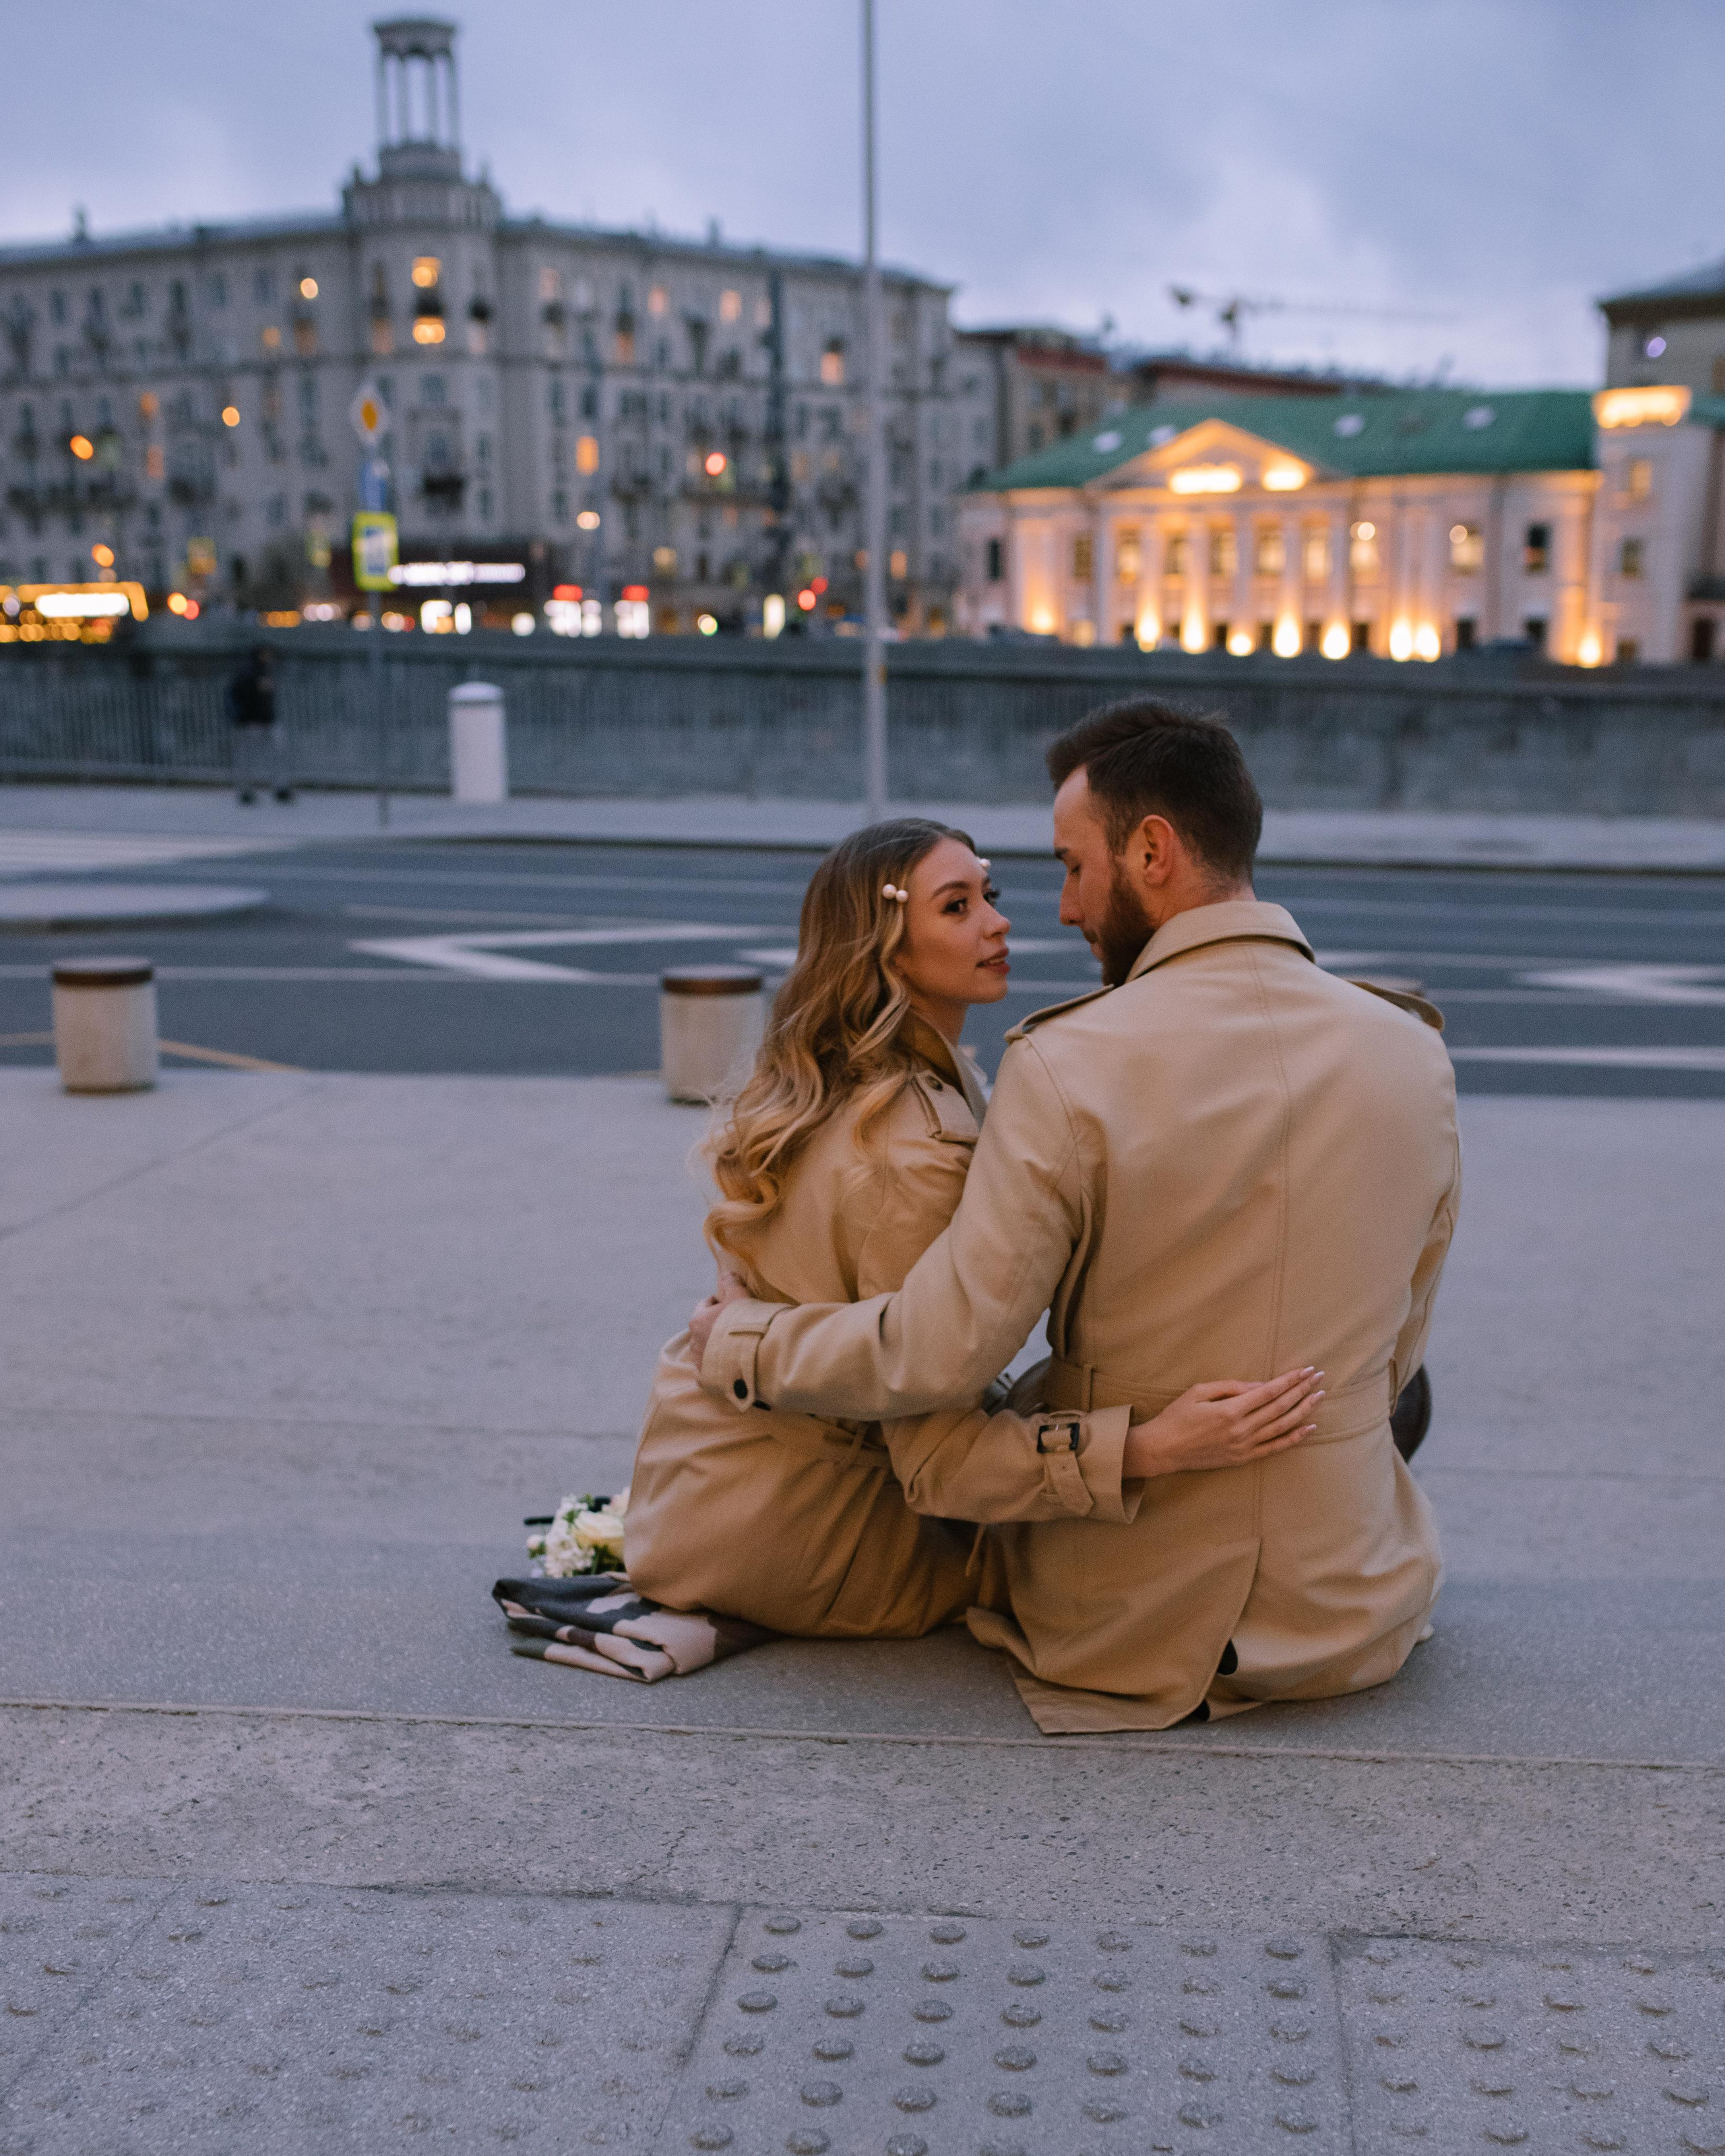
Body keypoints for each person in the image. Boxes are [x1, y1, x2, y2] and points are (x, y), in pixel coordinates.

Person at [691, 700, 1460, 1732]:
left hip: (1131, 1624)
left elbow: (939, 1354)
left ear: (1152, 852)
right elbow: (1403, 1342)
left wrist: (742, 1341)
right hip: (1357, 1607)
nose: (1058, 910)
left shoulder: (1067, 1063)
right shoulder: (1413, 1051)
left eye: (1070, 866)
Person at [625, 816, 1320, 1639]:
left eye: (988, 894)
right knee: (1163, 1532)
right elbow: (938, 1455)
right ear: (883, 946)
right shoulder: (913, 1148)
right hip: (828, 1541)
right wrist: (1151, 1447)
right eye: (956, 907)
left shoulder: (846, 1084)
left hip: (711, 1501)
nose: (998, 920)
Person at [226, 645, 293, 804]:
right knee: (250, 757)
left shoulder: (263, 672)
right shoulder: (250, 674)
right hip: (252, 722)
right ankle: (249, 790)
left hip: (265, 720)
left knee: (272, 755)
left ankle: (277, 788)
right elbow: (243, 697)